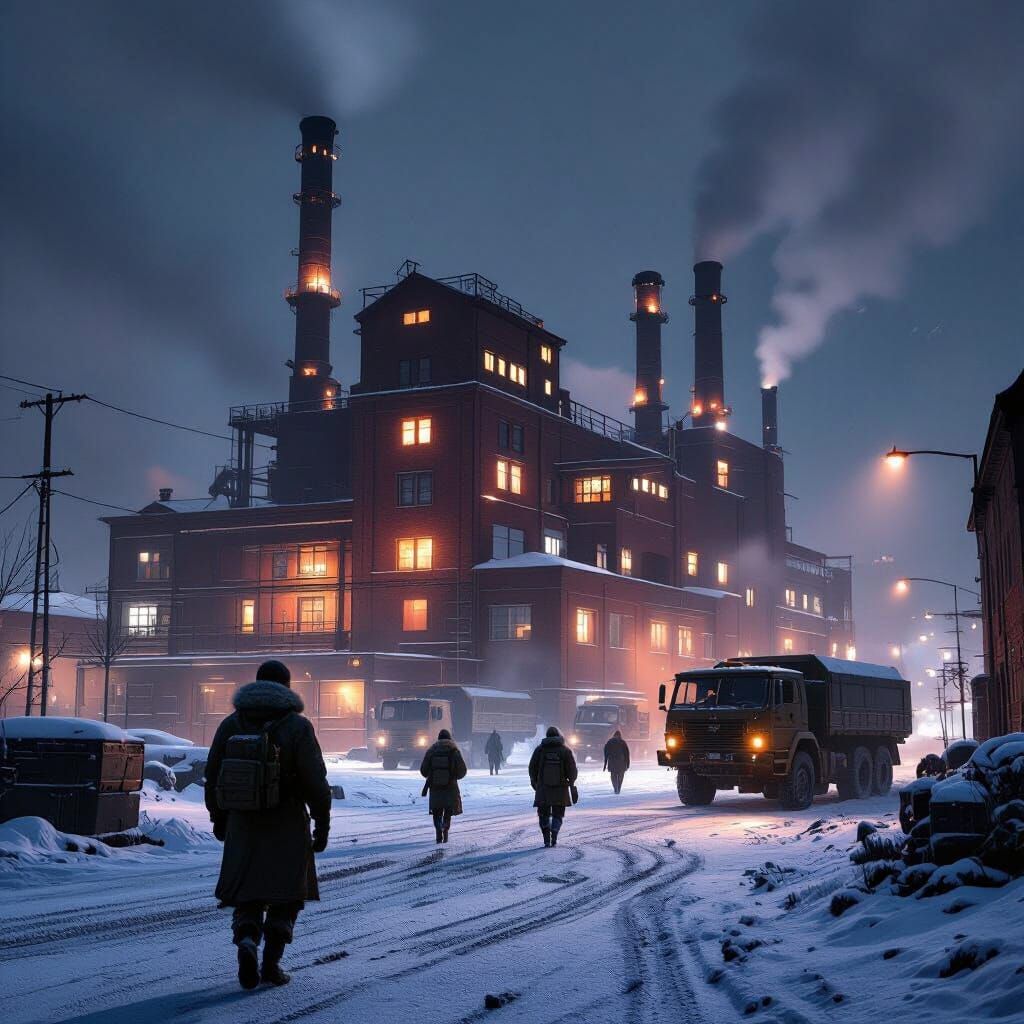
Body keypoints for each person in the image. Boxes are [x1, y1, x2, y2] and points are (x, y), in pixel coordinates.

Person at [205, 659, 332, 990]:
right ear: (287, 688)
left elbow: (213, 773)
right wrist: (322, 823)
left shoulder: (231, 723)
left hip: (243, 822)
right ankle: (271, 964)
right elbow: (316, 780)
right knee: (287, 895)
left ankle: (247, 940)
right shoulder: (297, 727)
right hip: (287, 820)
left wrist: (219, 817)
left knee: (248, 894)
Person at [529, 726, 578, 847]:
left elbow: (532, 768)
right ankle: (554, 836)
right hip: (560, 789)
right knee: (558, 814)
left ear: (547, 736)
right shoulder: (565, 751)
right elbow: (572, 770)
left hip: (543, 789)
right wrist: (571, 783)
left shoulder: (540, 750)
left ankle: (546, 838)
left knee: (543, 814)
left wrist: (535, 782)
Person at [420, 728, 467, 843]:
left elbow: (423, 770)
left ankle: (438, 833)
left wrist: (433, 775)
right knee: (448, 810)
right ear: (449, 738)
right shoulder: (454, 750)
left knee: (436, 811)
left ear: (438, 738)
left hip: (435, 787)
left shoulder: (432, 750)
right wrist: (454, 776)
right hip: (450, 786)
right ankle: (445, 828)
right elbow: (463, 770)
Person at [603, 730, 631, 794]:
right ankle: (619, 788)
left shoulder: (609, 742)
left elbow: (606, 753)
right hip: (621, 763)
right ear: (620, 735)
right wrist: (628, 764)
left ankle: (615, 788)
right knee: (621, 776)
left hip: (612, 762)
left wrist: (605, 764)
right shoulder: (623, 742)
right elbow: (627, 754)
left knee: (613, 776)